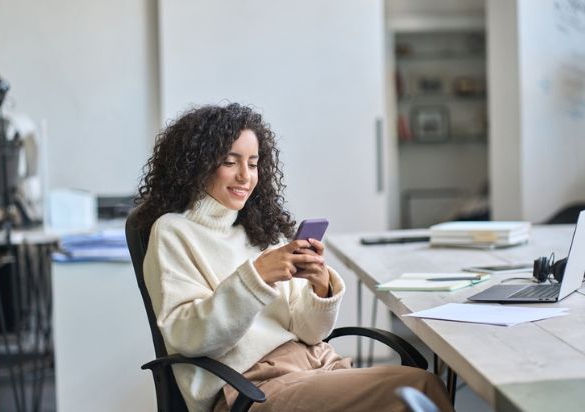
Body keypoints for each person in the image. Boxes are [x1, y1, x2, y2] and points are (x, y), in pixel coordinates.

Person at [135, 103, 454, 412]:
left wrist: (320, 290)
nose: (245, 176)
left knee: (417, 387)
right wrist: (257, 277)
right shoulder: (174, 232)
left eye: (253, 162)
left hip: (316, 365)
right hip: (251, 388)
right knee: (416, 388)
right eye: (230, 162)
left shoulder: (260, 230)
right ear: (198, 165)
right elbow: (189, 338)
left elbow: (311, 333)